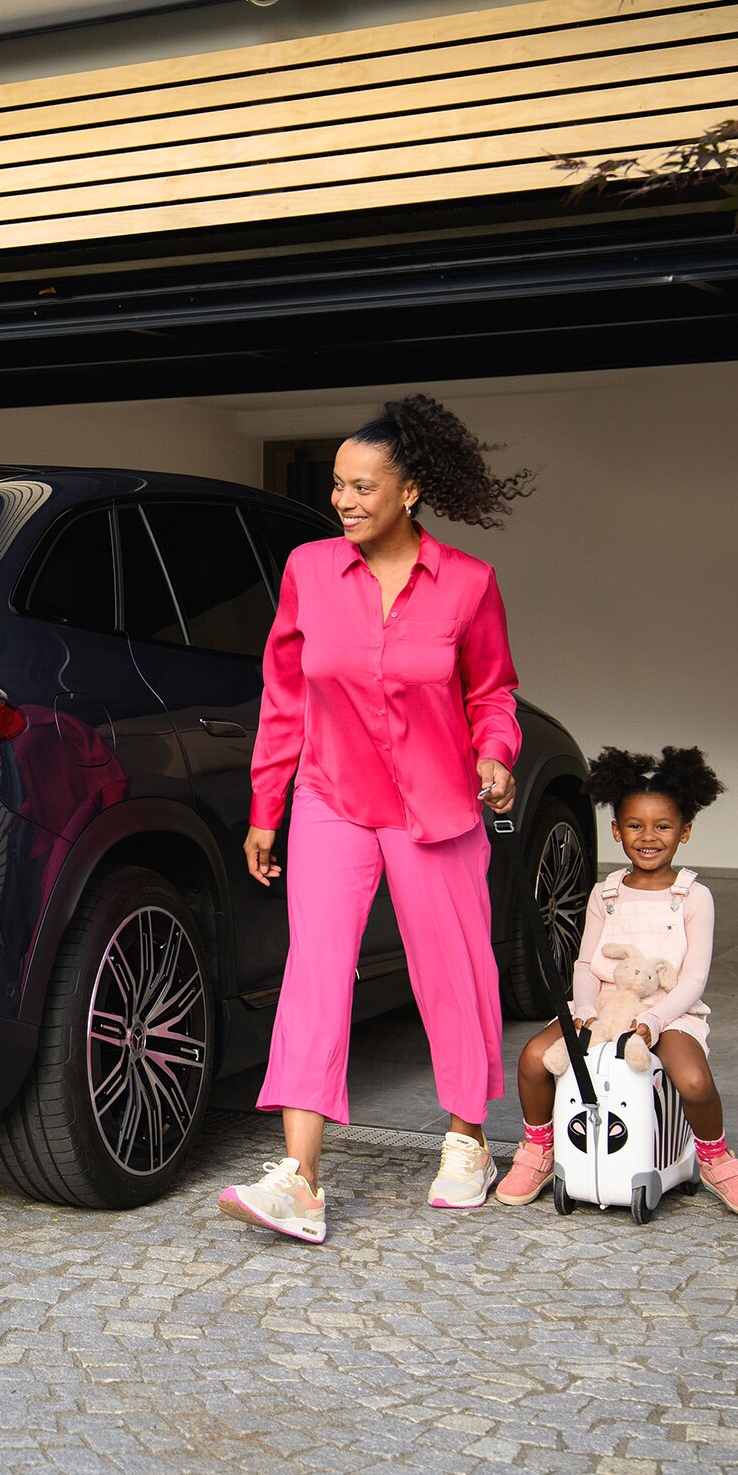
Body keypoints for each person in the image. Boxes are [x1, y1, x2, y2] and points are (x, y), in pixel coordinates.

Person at [218, 394, 533, 1245]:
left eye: (363, 487)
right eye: (337, 485)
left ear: (410, 491)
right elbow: (284, 697)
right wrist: (266, 806)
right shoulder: (310, 571)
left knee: (453, 970)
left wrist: (496, 753)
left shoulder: (468, 583)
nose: (345, 501)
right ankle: (300, 1177)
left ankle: (467, 1140)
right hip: (333, 798)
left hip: (438, 806)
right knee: (315, 973)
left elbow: (493, 693)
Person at [496, 746, 738, 1217]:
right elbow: (586, 964)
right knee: (533, 1059)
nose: (648, 837)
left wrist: (655, 1020)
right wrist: (585, 1011)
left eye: (662, 826)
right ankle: (539, 1148)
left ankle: (715, 1158)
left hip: (669, 1011)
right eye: (635, 825)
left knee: (693, 1080)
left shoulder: (694, 896)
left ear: (684, 831)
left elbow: (693, 979)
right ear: (616, 830)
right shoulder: (605, 894)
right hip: (603, 1006)